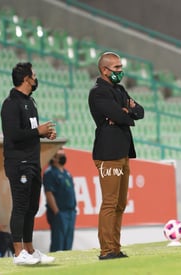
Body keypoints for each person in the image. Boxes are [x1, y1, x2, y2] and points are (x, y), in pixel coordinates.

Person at [88, 52, 144, 260]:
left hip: (122, 152)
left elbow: (140, 111)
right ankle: (106, 250)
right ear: (104, 70)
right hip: (108, 153)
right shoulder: (98, 93)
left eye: (121, 67)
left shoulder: (119, 90)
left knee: (120, 203)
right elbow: (121, 115)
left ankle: (115, 247)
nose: (121, 72)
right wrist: (124, 112)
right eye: (117, 68)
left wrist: (125, 113)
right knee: (110, 203)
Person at [0, 62, 56, 265]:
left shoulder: (30, 102)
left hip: (33, 161)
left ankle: (30, 249)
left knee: (32, 206)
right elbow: (13, 135)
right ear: (26, 79)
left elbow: (29, 133)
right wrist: (37, 132)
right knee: (21, 205)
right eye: (34, 74)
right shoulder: (11, 104)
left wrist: (44, 134)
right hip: (18, 163)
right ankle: (18, 253)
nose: (36, 77)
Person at [43, 148, 77, 252]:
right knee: (58, 243)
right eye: (60, 155)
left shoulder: (67, 173)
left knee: (68, 243)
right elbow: (49, 193)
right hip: (60, 212)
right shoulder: (50, 173)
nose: (63, 157)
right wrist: (56, 212)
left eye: (64, 155)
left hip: (70, 212)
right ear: (53, 158)